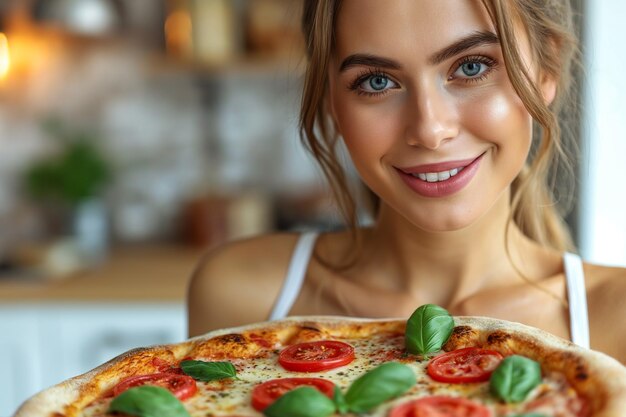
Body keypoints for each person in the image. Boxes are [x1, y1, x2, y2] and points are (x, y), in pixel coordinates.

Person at [187, 0, 626, 363]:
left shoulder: (617, 317)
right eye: (377, 81)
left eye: (472, 67)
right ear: (330, 102)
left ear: (544, 72)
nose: (430, 129)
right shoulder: (240, 295)